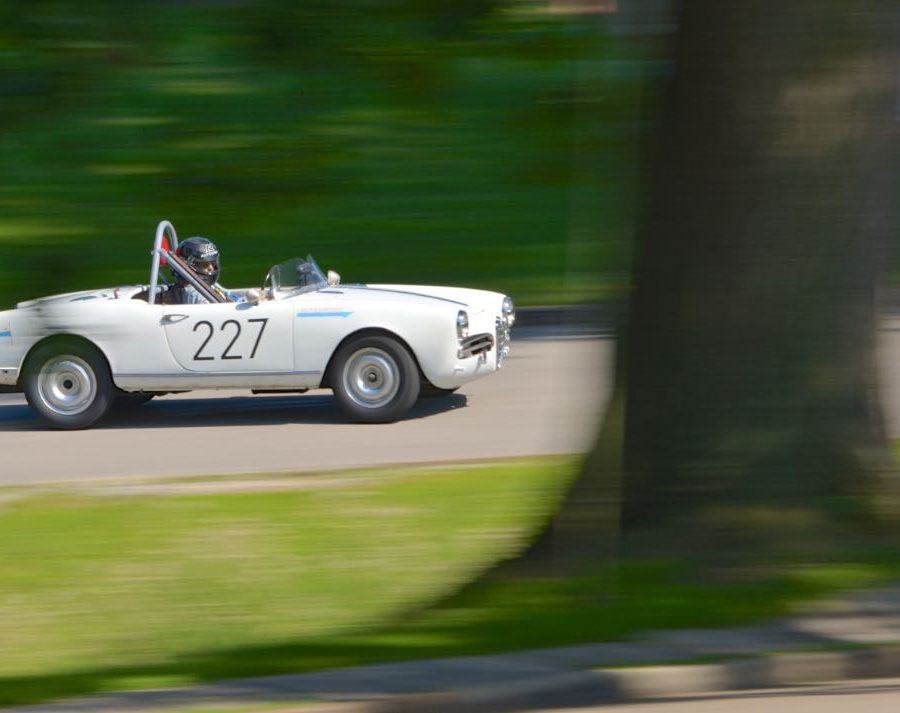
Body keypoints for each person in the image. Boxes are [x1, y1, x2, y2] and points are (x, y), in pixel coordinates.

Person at [169, 236, 235, 304]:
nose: (211, 268)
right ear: (189, 266)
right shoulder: (194, 295)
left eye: (213, 263)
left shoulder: (209, 286)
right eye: (205, 264)